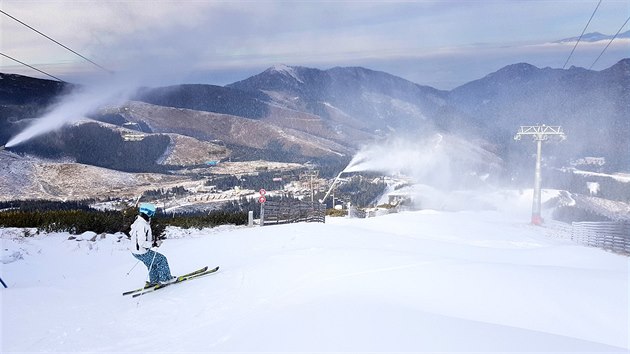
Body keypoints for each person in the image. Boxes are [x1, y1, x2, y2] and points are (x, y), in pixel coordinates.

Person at [129, 203, 175, 286]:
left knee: (152, 263)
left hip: (135, 252)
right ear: (146, 213)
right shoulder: (142, 225)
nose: (151, 216)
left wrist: (152, 241)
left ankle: (154, 281)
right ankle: (166, 279)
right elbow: (141, 243)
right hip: (142, 252)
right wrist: (154, 244)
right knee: (162, 259)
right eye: (150, 213)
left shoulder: (139, 221)